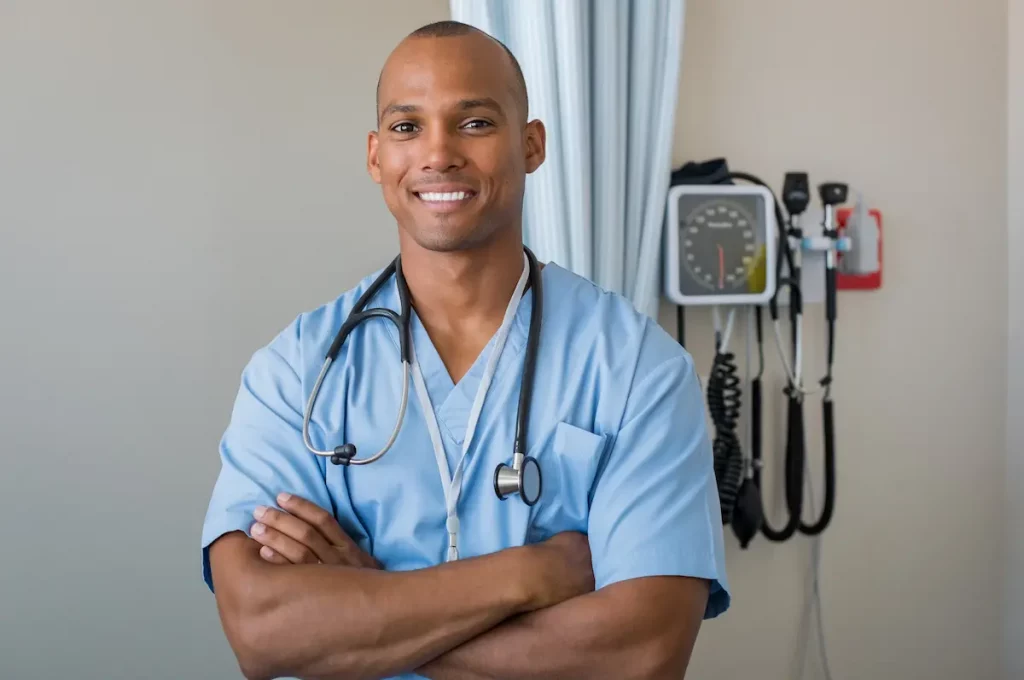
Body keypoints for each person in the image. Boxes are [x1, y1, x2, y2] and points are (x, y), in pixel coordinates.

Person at [201, 19, 730, 680]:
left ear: (531, 144)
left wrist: (364, 610)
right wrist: (533, 574)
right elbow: (263, 629)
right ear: (375, 157)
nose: (438, 153)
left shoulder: (635, 369)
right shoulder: (295, 372)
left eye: (475, 123)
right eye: (406, 127)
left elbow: (641, 655)